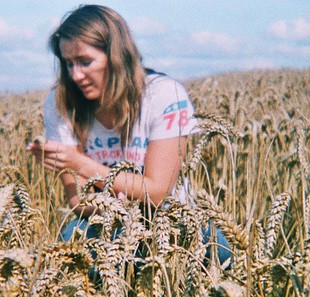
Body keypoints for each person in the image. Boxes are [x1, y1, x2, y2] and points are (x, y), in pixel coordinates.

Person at [27, 4, 231, 267]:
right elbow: (77, 200)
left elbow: (158, 193)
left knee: (222, 261)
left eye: (85, 62)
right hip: (100, 218)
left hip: (173, 217)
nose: (75, 75)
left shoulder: (165, 95)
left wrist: (79, 164)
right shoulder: (61, 102)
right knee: (67, 258)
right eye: (68, 64)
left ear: (116, 56)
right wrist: (119, 203)